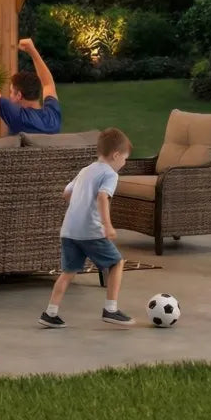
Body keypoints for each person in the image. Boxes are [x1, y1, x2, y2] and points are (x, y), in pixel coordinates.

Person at [39, 127, 135, 328]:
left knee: (68, 271)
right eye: (125, 159)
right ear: (116, 155)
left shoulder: (85, 170)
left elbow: (66, 193)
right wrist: (107, 225)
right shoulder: (110, 174)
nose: (124, 164)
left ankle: (50, 313)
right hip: (90, 230)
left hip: (69, 230)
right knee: (117, 263)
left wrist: (80, 206)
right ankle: (111, 309)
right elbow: (102, 197)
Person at [0, 35, 62, 135]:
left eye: (11, 92)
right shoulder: (53, 117)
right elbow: (48, 84)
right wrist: (32, 51)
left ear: (19, 95)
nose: (10, 95)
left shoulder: (19, 117)